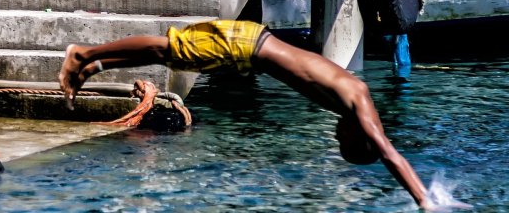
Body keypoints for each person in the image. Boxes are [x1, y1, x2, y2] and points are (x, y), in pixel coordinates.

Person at [59, 20, 439, 209]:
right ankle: (86, 54)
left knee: (169, 53)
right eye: (345, 144)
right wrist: (426, 201)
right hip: (245, 46)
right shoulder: (359, 104)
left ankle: (93, 66)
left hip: (249, 47)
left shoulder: (349, 103)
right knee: (167, 48)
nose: (337, 137)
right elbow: (390, 153)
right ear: (360, 136)